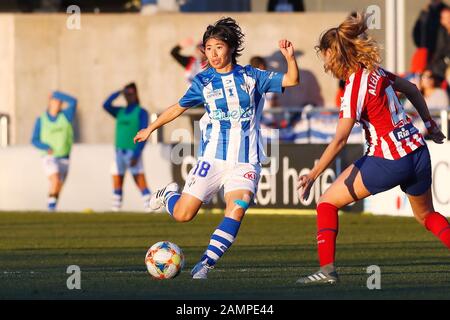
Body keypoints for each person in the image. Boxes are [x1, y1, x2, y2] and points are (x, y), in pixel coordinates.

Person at [134, 17, 299, 279]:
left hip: (246, 160)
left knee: (237, 207)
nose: (213, 54)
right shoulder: (204, 81)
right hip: (212, 158)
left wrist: (290, 57)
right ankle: (168, 195)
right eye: (208, 48)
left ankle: (206, 264)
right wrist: (151, 128)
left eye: (218, 48)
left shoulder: (252, 77)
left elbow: (291, 80)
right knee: (183, 215)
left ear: (231, 48)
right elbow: (179, 107)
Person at [296, 13, 450, 285]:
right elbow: (413, 89)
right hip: (417, 151)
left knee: (326, 202)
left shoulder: (354, 86)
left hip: (389, 160)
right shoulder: (376, 73)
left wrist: (314, 174)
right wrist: (430, 125)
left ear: (335, 54)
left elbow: (340, 139)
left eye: (325, 56)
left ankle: (327, 270)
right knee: (427, 215)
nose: (325, 63)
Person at [103, 83, 152, 212]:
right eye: (127, 94)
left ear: (136, 94)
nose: (128, 96)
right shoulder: (120, 111)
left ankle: (150, 206)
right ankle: (116, 208)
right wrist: (119, 92)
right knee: (117, 179)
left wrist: (137, 154)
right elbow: (106, 105)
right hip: (119, 151)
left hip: (132, 151)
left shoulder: (141, 112)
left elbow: (144, 133)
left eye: (130, 93)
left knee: (139, 180)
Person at [31, 91, 77, 211]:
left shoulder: (65, 116)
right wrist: (45, 147)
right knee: (55, 180)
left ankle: (52, 209)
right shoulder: (41, 119)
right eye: (56, 101)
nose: (59, 104)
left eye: (60, 102)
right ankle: (50, 210)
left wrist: (57, 94)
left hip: (64, 157)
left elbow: (73, 101)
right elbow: (34, 140)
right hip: (49, 157)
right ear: (50, 102)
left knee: (58, 187)